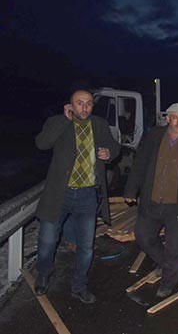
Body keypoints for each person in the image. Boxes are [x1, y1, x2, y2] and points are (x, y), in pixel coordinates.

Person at [34, 89, 120, 303]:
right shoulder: (58, 122)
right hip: (59, 194)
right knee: (47, 241)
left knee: (86, 247)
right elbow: (42, 143)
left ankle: (79, 285)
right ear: (70, 105)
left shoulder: (99, 124)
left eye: (88, 103)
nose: (84, 107)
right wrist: (64, 120)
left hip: (87, 195)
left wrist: (109, 153)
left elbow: (115, 146)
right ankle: (44, 273)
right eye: (79, 103)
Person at [124, 103, 178, 298]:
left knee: (175, 246)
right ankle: (165, 263)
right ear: (167, 118)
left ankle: (168, 282)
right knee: (143, 235)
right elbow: (141, 162)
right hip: (152, 200)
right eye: (175, 117)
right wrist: (131, 188)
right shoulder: (155, 136)